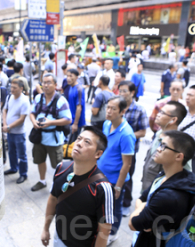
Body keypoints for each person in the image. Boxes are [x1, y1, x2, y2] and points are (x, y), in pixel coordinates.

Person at [41, 126, 114, 247]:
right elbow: (53, 199)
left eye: (87, 142)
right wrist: (45, 228)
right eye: (79, 138)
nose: (79, 144)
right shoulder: (61, 168)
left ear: (98, 153)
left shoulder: (103, 187)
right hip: (58, 239)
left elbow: (104, 229)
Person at [129, 130, 195, 247]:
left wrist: (143, 207)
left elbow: (132, 224)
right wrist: (144, 208)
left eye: (164, 146)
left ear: (179, 156)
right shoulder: (164, 175)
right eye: (160, 144)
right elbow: (142, 198)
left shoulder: (169, 196)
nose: (158, 149)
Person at [97, 96, 136, 245]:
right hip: (101, 175)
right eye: (108, 107)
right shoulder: (107, 124)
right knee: (102, 205)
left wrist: (118, 186)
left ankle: (113, 233)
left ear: (122, 111)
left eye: (113, 109)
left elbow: (126, 165)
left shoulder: (126, 134)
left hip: (115, 180)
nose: (108, 111)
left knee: (115, 208)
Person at [30, 74, 72, 192]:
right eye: (44, 82)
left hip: (54, 139)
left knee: (57, 165)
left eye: (49, 82)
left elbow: (68, 119)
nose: (46, 85)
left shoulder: (61, 100)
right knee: (40, 160)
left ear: (55, 85)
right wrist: (33, 121)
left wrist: (50, 122)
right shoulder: (38, 98)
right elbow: (32, 112)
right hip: (39, 137)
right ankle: (42, 181)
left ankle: (58, 184)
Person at [141, 101, 188, 192]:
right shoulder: (159, 133)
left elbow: (184, 174)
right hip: (147, 190)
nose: (158, 114)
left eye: (162, 113)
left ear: (173, 120)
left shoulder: (179, 144)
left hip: (160, 193)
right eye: (159, 111)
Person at [118, 81, 149, 217]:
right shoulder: (116, 106)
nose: (121, 94)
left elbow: (143, 132)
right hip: (114, 149)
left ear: (132, 93)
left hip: (129, 151)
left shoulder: (140, 109)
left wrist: (126, 136)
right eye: (120, 91)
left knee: (127, 177)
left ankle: (125, 203)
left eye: (124, 91)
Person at [3, 79, 30, 184]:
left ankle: (23, 174)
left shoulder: (24, 101)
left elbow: (22, 119)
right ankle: (14, 168)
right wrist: (5, 124)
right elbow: (5, 110)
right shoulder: (9, 97)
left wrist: (8, 127)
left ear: (21, 88)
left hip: (19, 133)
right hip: (9, 132)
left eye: (15, 88)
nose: (12, 89)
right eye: (11, 87)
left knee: (22, 155)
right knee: (11, 151)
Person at [66, 69, 86, 142]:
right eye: (67, 76)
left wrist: (75, 124)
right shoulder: (71, 87)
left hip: (76, 122)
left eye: (71, 76)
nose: (68, 78)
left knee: (72, 144)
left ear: (77, 77)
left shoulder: (79, 89)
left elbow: (79, 107)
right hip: (70, 120)